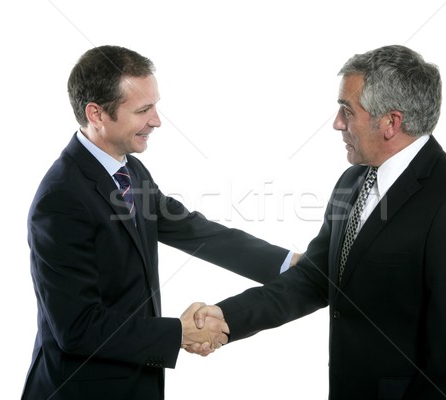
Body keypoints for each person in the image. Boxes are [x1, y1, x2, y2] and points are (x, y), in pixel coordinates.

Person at [191, 45, 446, 399]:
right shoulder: (352, 181)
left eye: (346, 111)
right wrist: (226, 317)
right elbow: (315, 277)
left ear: (391, 122)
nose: (338, 123)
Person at [21, 45, 299, 400]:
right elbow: (77, 327)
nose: (156, 120)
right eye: (142, 110)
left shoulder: (129, 169)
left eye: (155, 105)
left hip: (137, 382)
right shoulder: (61, 198)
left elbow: (193, 230)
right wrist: (178, 334)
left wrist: (290, 265)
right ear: (97, 114)